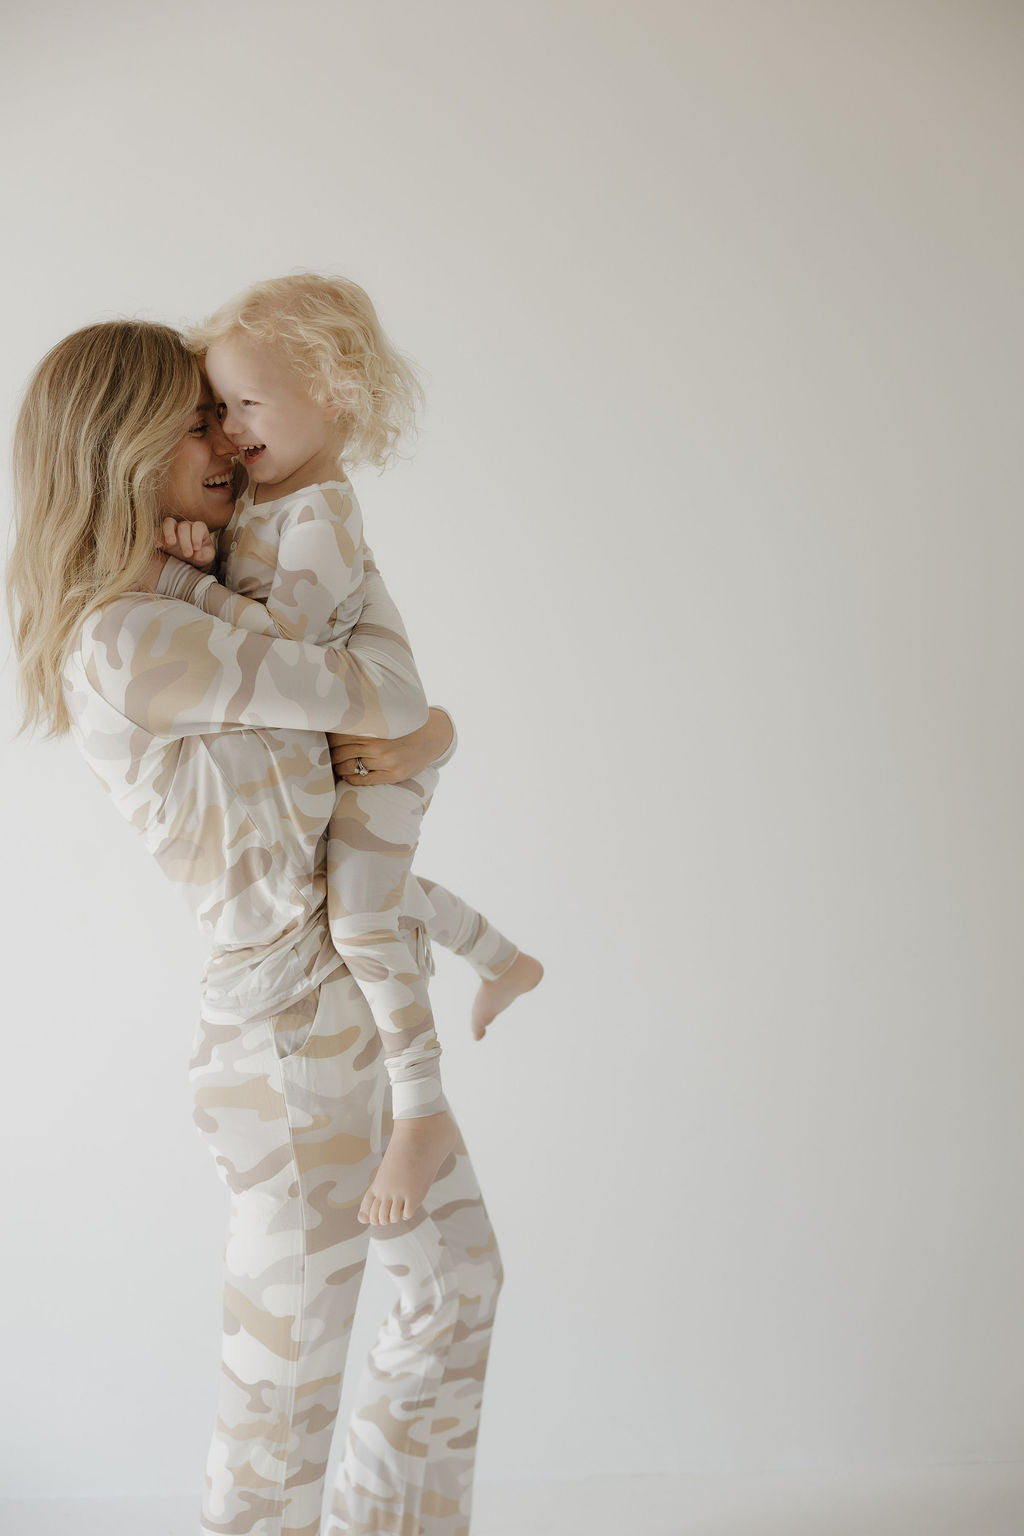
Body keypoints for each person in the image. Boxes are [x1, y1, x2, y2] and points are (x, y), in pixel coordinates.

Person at [5, 318, 515, 1536]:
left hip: (343, 1005)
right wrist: (429, 727)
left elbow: (362, 725)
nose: (230, 442)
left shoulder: (201, 594)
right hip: (289, 1044)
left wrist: (424, 731)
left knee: (456, 1291)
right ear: (121, 444)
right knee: (280, 1404)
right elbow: (376, 694)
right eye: (196, 421)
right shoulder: (129, 638)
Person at [153, 272, 542, 1227]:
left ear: (334, 395)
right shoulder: (264, 500)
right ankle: (502, 959)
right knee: (365, 900)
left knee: (363, 924)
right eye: (218, 408)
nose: (230, 428)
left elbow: (285, 644)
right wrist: (197, 564)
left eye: (248, 404)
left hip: (380, 749)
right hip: (368, 741)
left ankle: (422, 1110)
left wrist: (177, 584)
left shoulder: (319, 512)